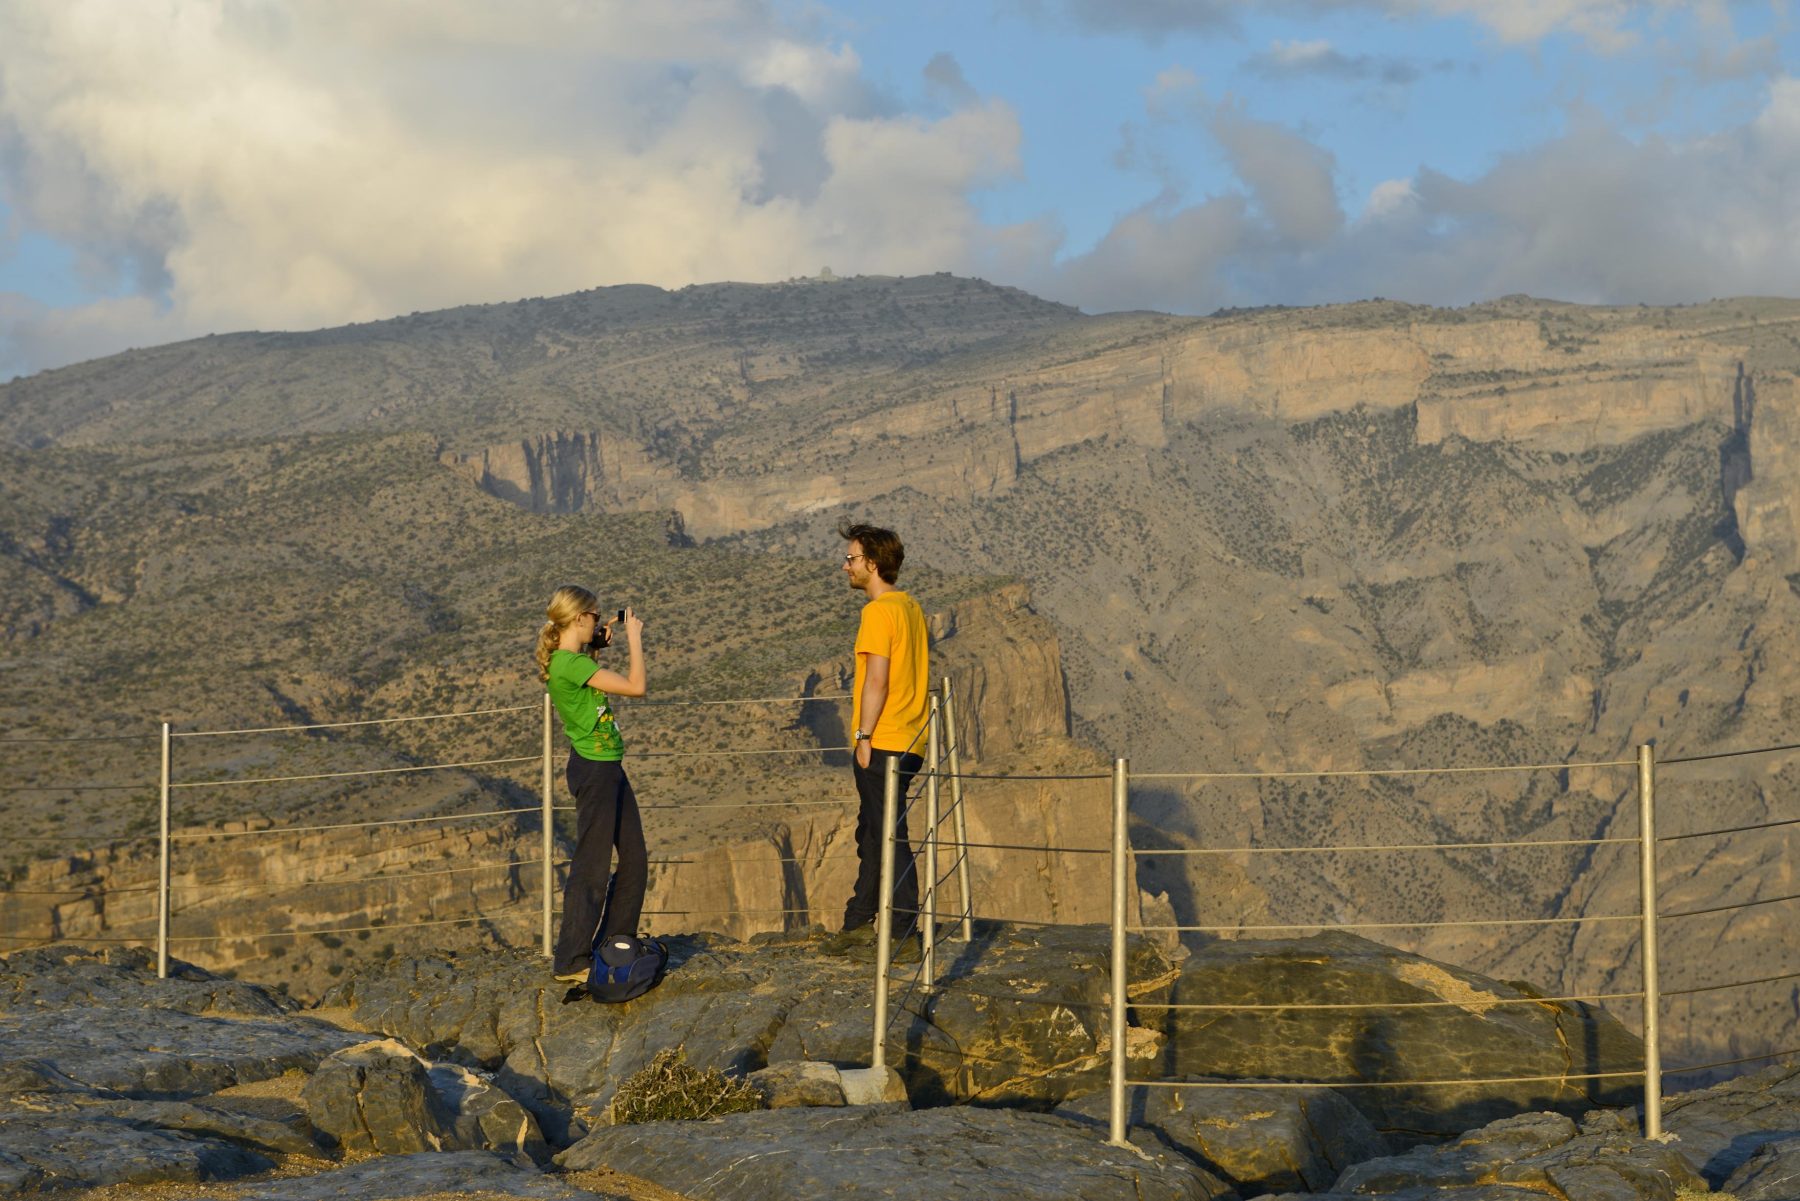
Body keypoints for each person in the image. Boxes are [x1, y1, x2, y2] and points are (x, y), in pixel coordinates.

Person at [824, 522, 929, 956]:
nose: (845, 566)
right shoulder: (910, 607)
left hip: (883, 738)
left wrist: (863, 736)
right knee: (872, 830)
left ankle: (904, 929)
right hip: (911, 739)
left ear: (872, 564)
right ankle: (857, 917)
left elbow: (877, 682)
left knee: (888, 834)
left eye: (851, 559)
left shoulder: (877, 612)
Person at [536, 586, 648, 983]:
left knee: (634, 859)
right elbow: (636, 687)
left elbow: (587, 682)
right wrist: (634, 640)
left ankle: (614, 946)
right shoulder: (569, 664)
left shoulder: (572, 660)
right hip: (595, 771)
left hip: (608, 767)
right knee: (592, 868)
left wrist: (595, 644)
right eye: (596, 617)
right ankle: (570, 960)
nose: (600, 623)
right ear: (579, 617)